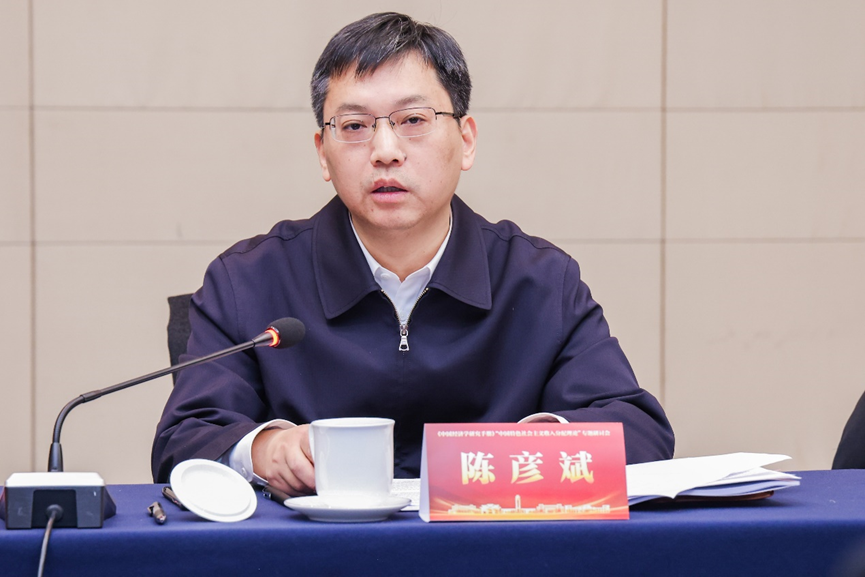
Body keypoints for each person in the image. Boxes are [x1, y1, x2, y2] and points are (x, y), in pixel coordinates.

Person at [151, 12, 675, 495]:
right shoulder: (248, 280)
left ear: (466, 140)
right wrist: (263, 450)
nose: (385, 151)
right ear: (323, 154)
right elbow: (184, 439)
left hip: (489, 546)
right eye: (354, 127)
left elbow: (640, 432)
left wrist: (530, 447)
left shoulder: (538, 280)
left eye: (413, 120)